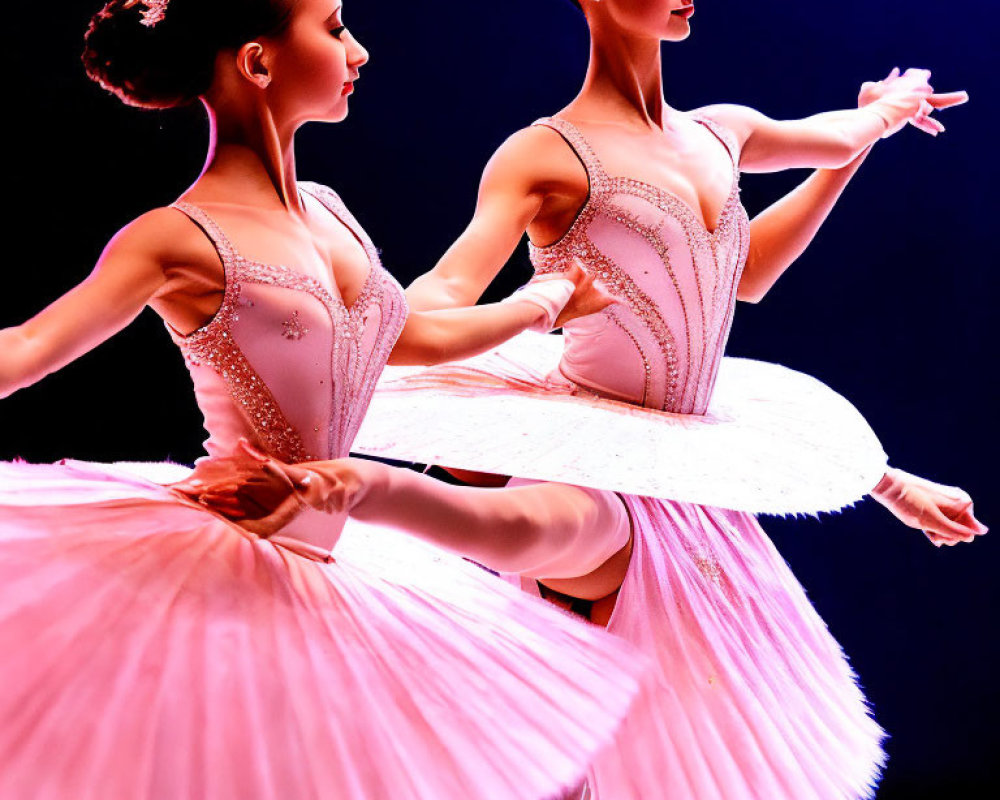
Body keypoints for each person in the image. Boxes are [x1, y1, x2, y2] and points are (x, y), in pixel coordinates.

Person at [189, 2, 987, 799]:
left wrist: (883, 112)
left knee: (609, 751)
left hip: (684, 477)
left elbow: (755, 268)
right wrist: (375, 317)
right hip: (597, 462)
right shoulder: (545, 153)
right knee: (547, 598)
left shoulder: (723, 131)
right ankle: (346, 493)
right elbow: (448, 287)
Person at [0, 1, 653, 797]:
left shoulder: (329, 211)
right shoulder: (177, 238)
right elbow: (28, 350)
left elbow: (406, 338)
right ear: (257, 62)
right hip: (237, 554)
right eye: (335, 27)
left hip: (340, 558)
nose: (361, 50)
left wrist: (544, 302)